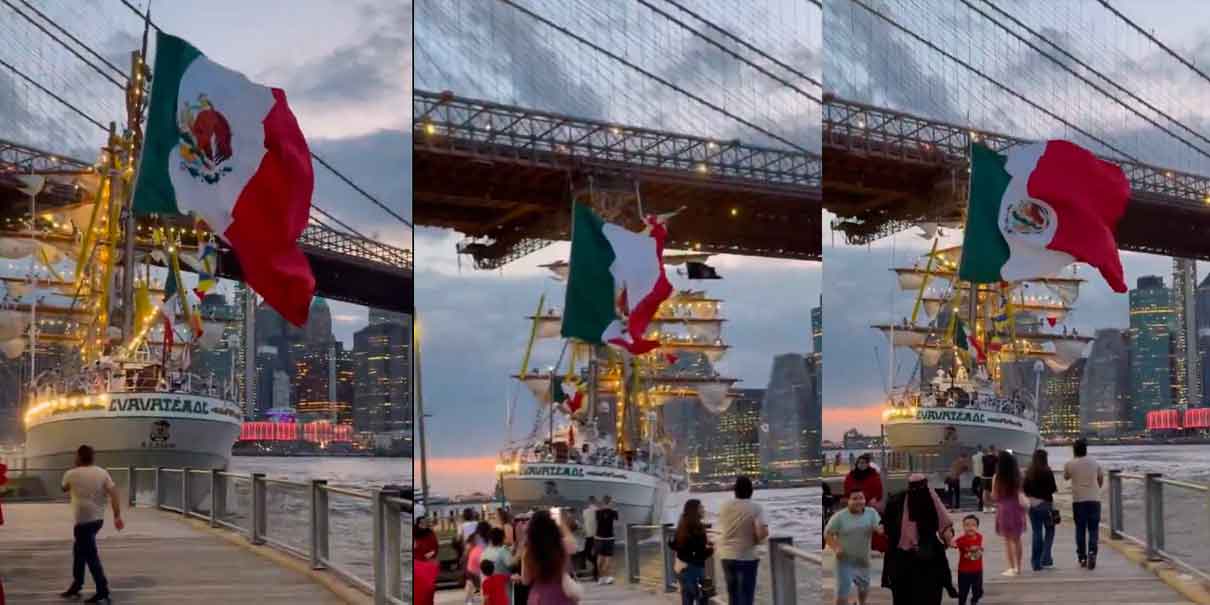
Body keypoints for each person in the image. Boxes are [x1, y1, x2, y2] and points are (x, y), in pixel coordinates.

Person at [60, 445, 124, 604]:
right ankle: (77, 584)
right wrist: (117, 516)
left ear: (79, 457)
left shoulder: (71, 474)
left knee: (90, 556)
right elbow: (114, 493)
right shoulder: (102, 473)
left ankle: (103, 590)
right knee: (79, 551)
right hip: (97, 521)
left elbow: (64, 488)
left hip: (83, 523)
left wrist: (74, 472)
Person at [881, 474, 955, 605]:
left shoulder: (931, 498)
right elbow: (886, 523)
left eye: (920, 486)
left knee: (929, 594)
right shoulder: (898, 500)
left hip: (927, 555)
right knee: (903, 595)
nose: (917, 490)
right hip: (902, 557)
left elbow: (944, 523)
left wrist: (949, 540)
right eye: (914, 487)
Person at [824, 490, 883, 605]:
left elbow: (879, 526)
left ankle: (861, 603)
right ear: (848, 501)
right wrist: (836, 547)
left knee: (864, 588)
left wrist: (881, 530)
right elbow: (827, 533)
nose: (858, 501)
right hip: (844, 560)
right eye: (854, 499)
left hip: (863, 560)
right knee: (843, 592)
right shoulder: (839, 516)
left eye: (861, 498)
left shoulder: (871, 513)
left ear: (865, 500)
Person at [717, 476, 769, 605]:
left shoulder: (724, 506)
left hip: (726, 555)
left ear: (735, 490)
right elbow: (761, 532)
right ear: (751, 490)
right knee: (746, 595)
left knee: (733, 595)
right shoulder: (755, 507)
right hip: (747, 557)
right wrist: (758, 540)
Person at [521, 510, 583, 604]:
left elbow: (525, 580)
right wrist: (560, 521)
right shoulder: (562, 546)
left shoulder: (529, 551)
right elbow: (572, 542)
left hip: (539, 597)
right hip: (561, 595)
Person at [1064, 438, 1103, 570]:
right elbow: (1100, 478)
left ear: (1074, 450)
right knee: (1093, 529)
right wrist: (1097, 488)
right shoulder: (1094, 462)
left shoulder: (1070, 463)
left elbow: (1066, 476)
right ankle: (1092, 552)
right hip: (1094, 500)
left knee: (1080, 529)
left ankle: (1082, 557)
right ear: (1086, 450)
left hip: (1078, 501)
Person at [670, 499, 714, 605]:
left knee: (687, 599)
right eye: (701, 507)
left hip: (681, 568)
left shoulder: (682, 525)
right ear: (695, 511)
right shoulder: (697, 528)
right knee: (702, 599)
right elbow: (700, 554)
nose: (703, 509)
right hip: (694, 569)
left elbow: (673, 544)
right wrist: (712, 549)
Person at [843, 453, 887, 554]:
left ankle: (875, 548)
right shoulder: (851, 476)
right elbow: (847, 491)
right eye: (859, 463)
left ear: (868, 464)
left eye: (864, 463)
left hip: (869, 507)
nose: (861, 465)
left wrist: (874, 499)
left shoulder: (874, 475)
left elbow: (878, 491)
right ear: (857, 464)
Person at [992, 450, 1025, 576]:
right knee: (1017, 539)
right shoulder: (1019, 476)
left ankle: (1011, 568)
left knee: (1007, 540)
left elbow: (994, 496)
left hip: (1004, 509)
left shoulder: (997, 477)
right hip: (1017, 508)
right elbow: (1021, 492)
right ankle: (1019, 568)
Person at [1023, 449, 1057, 572]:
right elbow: (1053, 488)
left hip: (1033, 506)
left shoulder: (1029, 472)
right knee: (1050, 530)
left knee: (1037, 533)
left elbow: (1024, 489)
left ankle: (1036, 563)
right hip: (1046, 505)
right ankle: (1046, 559)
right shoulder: (1047, 471)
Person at [954, 515, 984, 605]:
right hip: (964, 571)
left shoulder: (979, 537)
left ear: (977, 527)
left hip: (978, 570)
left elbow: (980, 548)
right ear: (963, 527)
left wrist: (980, 550)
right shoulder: (960, 540)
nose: (970, 527)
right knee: (963, 592)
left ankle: (974, 600)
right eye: (967, 525)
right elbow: (954, 544)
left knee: (978, 591)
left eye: (973, 525)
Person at [593, 496, 619, 585]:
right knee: (608, 558)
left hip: (599, 537)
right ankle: (608, 577)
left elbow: (597, 521)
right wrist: (614, 509)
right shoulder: (614, 512)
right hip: (609, 537)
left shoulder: (597, 512)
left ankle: (600, 578)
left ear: (603, 502)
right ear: (610, 502)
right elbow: (617, 520)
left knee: (599, 558)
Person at [582, 497, 599, 582]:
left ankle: (596, 574)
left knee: (588, 553)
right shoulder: (585, 511)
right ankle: (596, 569)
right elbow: (585, 523)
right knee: (589, 554)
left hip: (593, 535)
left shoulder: (595, 511)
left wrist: (584, 531)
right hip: (593, 535)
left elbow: (586, 523)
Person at [980, 447, 997, 512]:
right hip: (992, 476)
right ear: (993, 450)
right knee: (992, 492)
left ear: (989, 450)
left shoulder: (983, 457)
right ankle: (992, 507)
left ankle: (985, 507)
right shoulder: (995, 458)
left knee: (985, 492)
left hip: (984, 476)